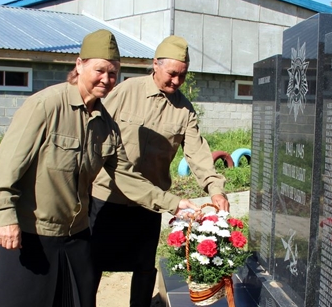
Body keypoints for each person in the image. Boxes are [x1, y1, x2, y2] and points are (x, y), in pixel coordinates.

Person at [0, 29, 199, 307]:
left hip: (76, 236)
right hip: (31, 234)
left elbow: (126, 176)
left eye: (113, 73)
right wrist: (6, 218)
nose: (106, 79)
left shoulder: (106, 126)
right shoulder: (46, 105)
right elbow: (7, 167)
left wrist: (175, 203)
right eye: (100, 70)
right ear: (79, 65)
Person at [90, 35, 230, 307]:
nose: (176, 81)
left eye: (183, 76)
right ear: (155, 64)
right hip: (108, 195)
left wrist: (216, 189)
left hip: (151, 201)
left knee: (143, 267)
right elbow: (95, 130)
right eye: (172, 74)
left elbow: (197, 152)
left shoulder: (184, 109)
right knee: (92, 264)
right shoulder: (126, 91)